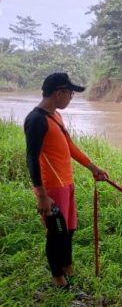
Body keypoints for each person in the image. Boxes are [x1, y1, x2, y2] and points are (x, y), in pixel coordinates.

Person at [24, 73, 109, 289]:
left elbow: (69, 147)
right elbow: (32, 159)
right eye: (70, 93)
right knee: (56, 233)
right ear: (59, 93)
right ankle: (58, 278)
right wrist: (42, 195)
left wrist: (93, 167)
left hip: (66, 183)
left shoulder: (55, 116)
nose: (71, 98)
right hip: (51, 187)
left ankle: (67, 266)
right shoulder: (36, 120)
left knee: (69, 229)